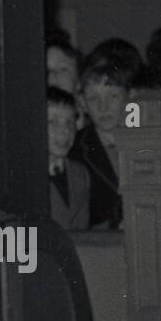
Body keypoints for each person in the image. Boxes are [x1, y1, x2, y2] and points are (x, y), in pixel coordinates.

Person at [73, 52, 129, 229]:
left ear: (128, 96)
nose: (103, 107)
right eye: (93, 98)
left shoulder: (146, 139)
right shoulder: (74, 148)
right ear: (82, 102)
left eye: (112, 96)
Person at [47, 86, 90, 231]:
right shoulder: (24, 178)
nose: (65, 131)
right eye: (52, 122)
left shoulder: (80, 174)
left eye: (69, 122)